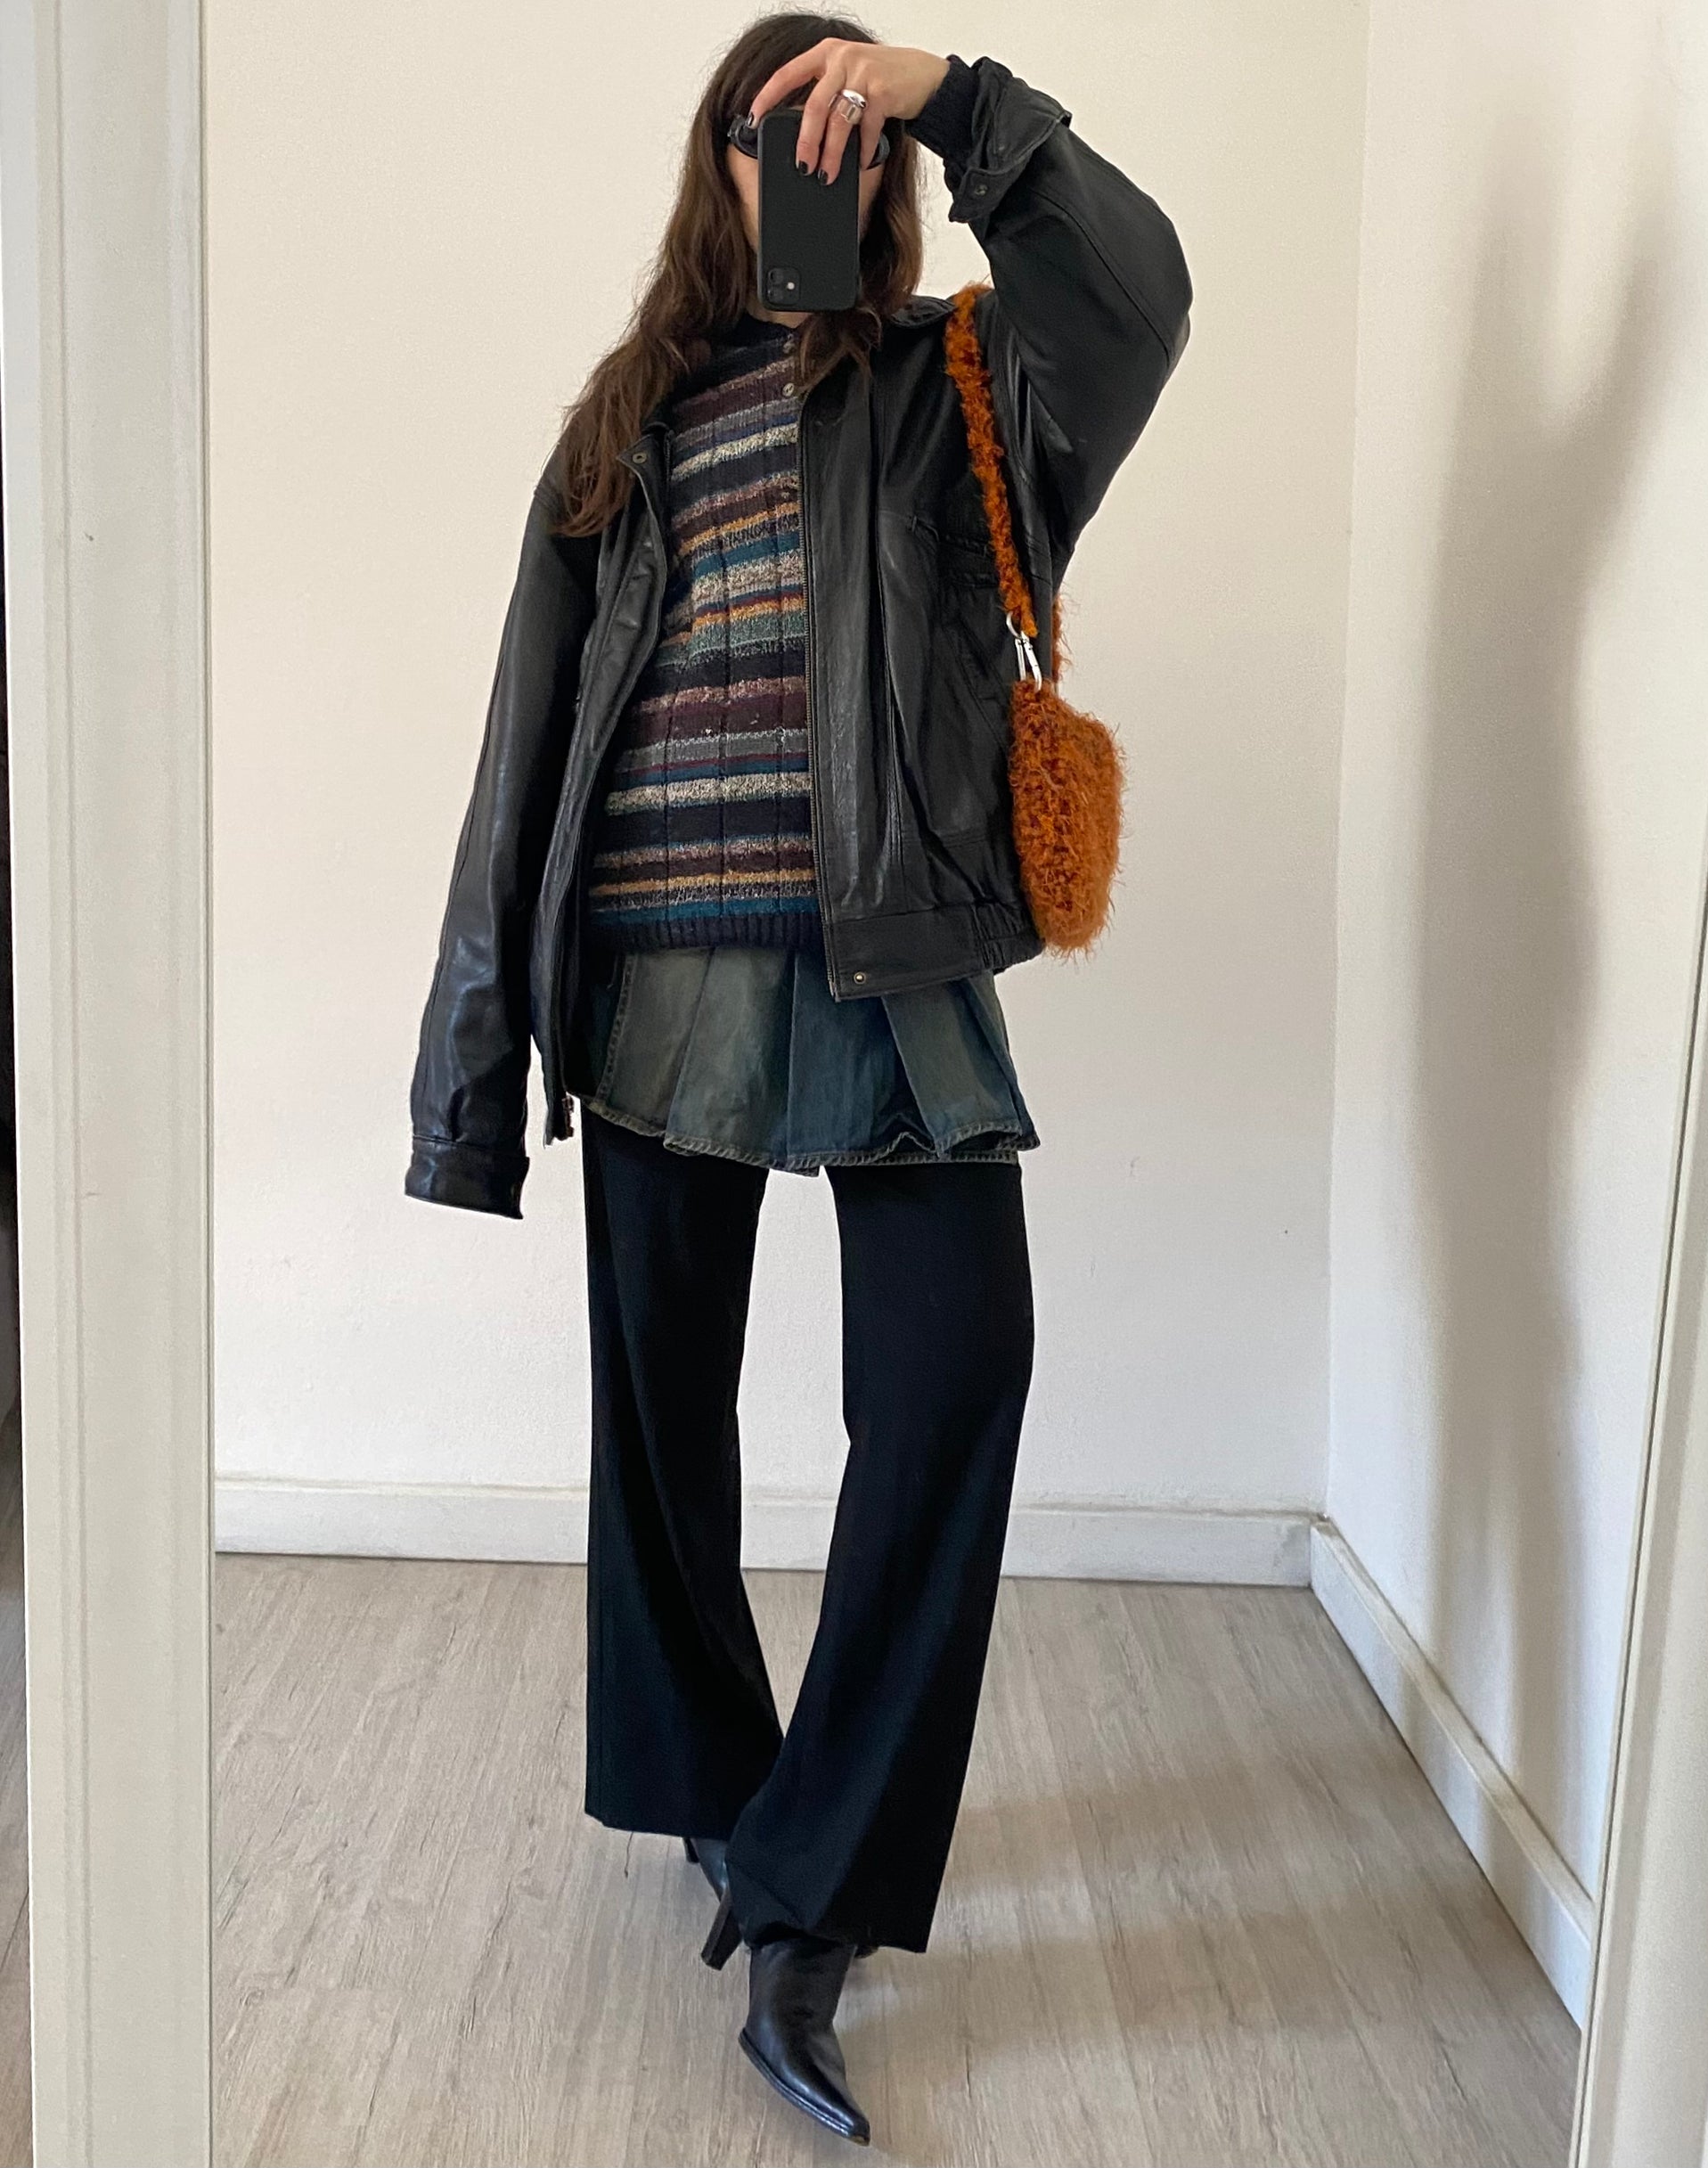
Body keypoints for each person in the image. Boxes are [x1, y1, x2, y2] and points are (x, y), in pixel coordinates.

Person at [405, 12, 1189, 2144]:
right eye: (773, 129)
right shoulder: (620, 421)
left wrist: (954, 90)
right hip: (650, 973)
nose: (810, 158)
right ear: (716, 167)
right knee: (658, 1418)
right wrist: (469, 1067)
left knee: (953, 1377)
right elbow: (521, 745)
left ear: (889, 169)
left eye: (845, 128)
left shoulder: (969, 384)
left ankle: (812, 1884)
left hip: (893, 966)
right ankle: (713, 1787)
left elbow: (1140, 288)